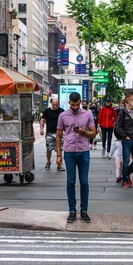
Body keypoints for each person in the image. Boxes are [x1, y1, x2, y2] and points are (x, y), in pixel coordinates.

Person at [56, 92, 97, 224]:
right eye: (73, 105)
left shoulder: (87, 114)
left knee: (84, 181)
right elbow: (58, 135)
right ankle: (72, 211)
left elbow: (93, 133)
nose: (75, 107)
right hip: (69, 152)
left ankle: (84, 211)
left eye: (77, 104)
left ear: (81, 102)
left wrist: (83, 132)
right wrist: (58, 155)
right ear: (69, 103)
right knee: (70, 181)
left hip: (83, 151)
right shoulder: (62, 116)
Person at [114, 92, 133, 188]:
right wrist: (125, 136)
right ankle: (125, 180)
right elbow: (118, 126)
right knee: (126, 161)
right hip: (127, 139)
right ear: (127, 102)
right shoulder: (122, 112)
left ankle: (126, 174)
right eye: (132, 100)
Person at [40, 98, 65, 171]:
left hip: (59, 132)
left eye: (56, 105)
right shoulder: (47, 111)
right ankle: (48, 161)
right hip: (50, 133)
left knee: (59, 149)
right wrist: (41, 129)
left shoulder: (61, 111)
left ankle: (59, 164)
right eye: (54, 105)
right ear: (51, 104)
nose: (55, 106)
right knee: (49, 148)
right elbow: (42, 119)